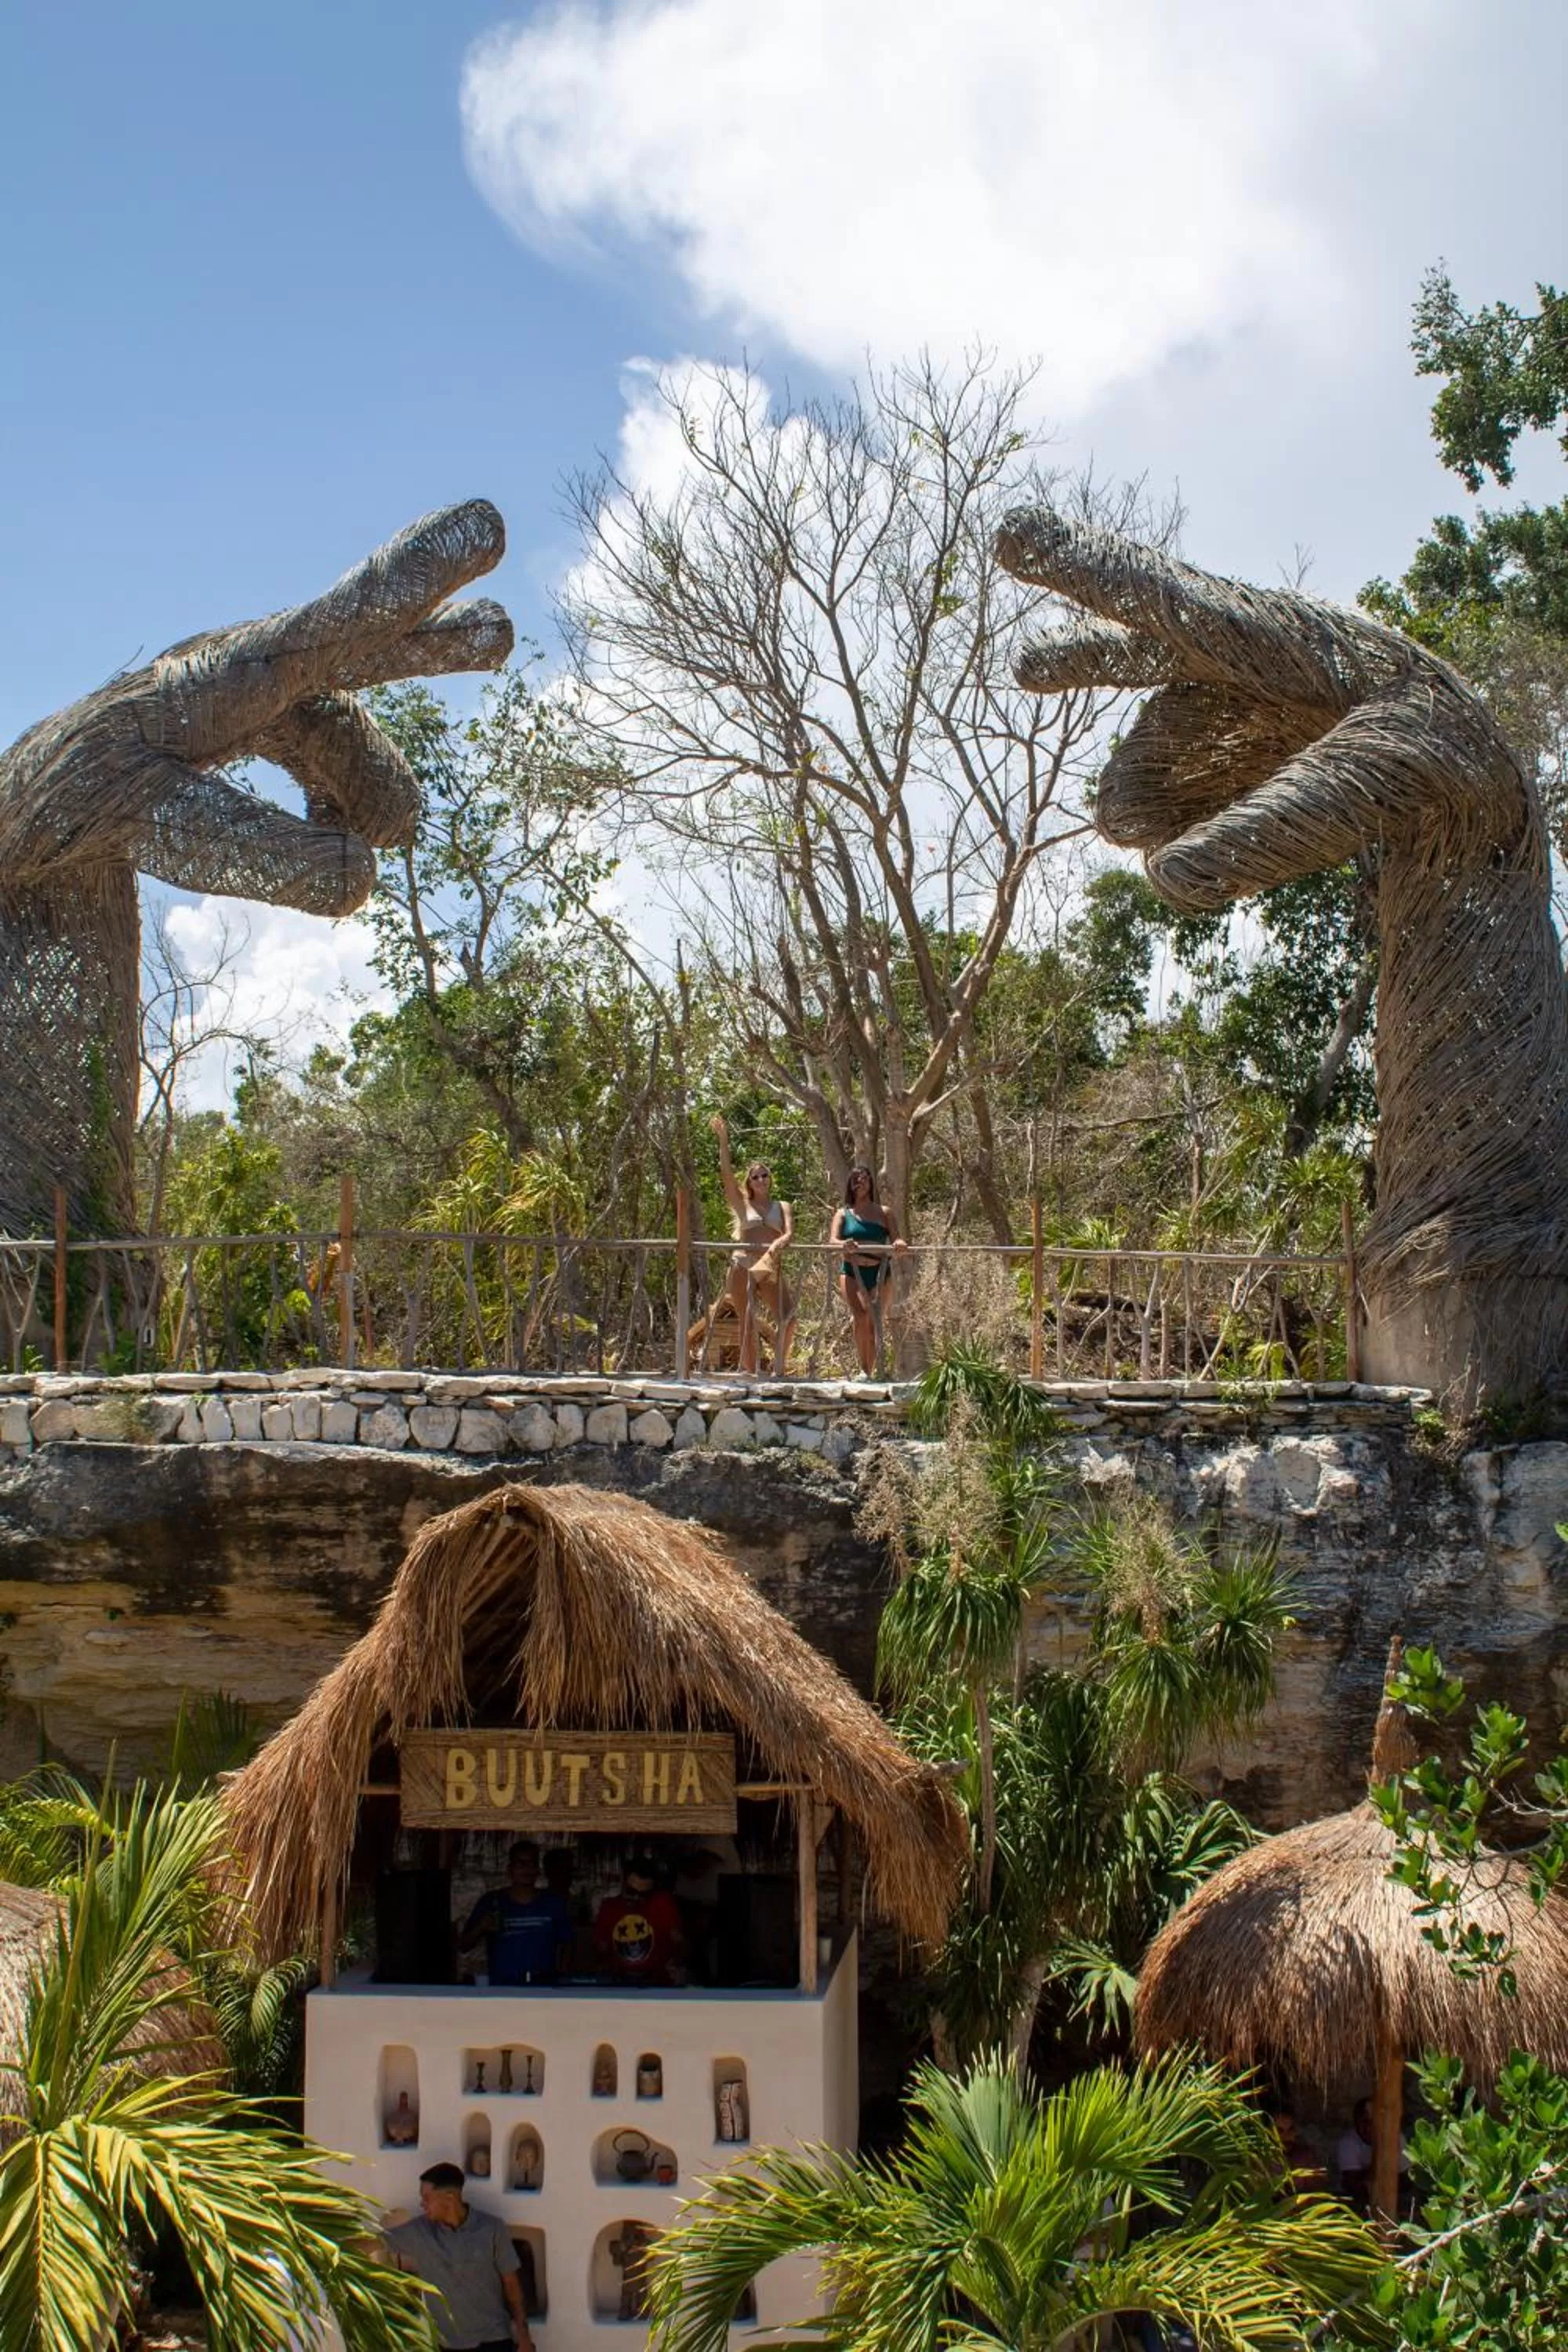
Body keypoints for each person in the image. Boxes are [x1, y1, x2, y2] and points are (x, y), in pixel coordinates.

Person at [383, 2162, 532, 2352]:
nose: (422, 2204)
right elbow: (376, 2241)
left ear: (450, 2197)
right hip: (448, 2345)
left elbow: (511, 2284)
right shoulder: (419, 2232)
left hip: (494, 2341)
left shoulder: (492, 2229)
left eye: (426, 2198)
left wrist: (524, 2334)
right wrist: (335, 2246)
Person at [710, 1113, 795, 1373]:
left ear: (770, 1179)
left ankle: (778, 1365)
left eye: (764, 1175)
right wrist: (723, 1140)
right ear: (749, 1182)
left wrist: (777, 1244)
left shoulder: (782, 1206)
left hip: (768, 1265)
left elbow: (789, 1233)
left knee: (789, 1318)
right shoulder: (742, 1205)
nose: (760, 1179)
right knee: (746, 1321)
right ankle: (750, 1373)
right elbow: (726, 1175)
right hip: (743, 1264)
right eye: (755, 1177)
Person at [457, 1841, 571, 1987]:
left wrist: (562, 1981)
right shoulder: (492, 1901)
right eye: (521, 1863)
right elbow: (463, 1946)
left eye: (532, 1864)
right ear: (510, 1869)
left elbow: (568, 1944)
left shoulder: (553, 1903)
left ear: (538, 1870)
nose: (527, 1869)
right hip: (502, 1990)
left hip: (544, 1990)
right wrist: (481, 1926)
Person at [829, 1166, 907, 1377]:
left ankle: (871, 1372)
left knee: (874, 1322)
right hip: (852, 1271)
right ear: (850, 1185)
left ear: (871, 1183)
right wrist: (844, 1244)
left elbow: (896, 1237)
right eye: (855, 1179)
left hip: (880, 1273)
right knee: (860, 1317)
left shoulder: (884, 1212)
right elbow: (832, 1241)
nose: (860, 1182)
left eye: (864, 1178)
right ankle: (863, 1369)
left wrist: (899, 1243)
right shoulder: (843, 1214)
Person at [593, 1853, 686, 1986]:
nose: (636, 1898)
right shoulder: (609, 1907)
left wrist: (677, 1963)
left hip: (656, 1983)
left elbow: (680, 1944)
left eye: (644, 1895)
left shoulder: (663, 1904)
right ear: (623, 1883)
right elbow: (600, 1950)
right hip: (619, 1983)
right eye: (631, 1892)